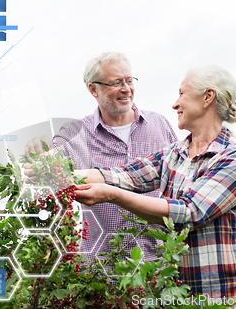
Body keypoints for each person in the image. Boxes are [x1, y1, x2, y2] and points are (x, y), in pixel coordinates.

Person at [74, 65, 236, 308]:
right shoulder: (173, 155)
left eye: (182, 94)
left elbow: (187, 212)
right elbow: (120, 175)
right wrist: (53, 172)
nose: (175, 104)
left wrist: (113, 196)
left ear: (208, 97)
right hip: (194, 301)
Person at [24, 52, 178, 266]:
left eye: (129, 80)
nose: (126, 89)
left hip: (161, 264)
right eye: (116, 82)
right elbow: (53, 164)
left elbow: (181, 179)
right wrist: (42, 155)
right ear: (93, 89)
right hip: (102, 271)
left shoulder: (159, 125)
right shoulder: (75, 133)